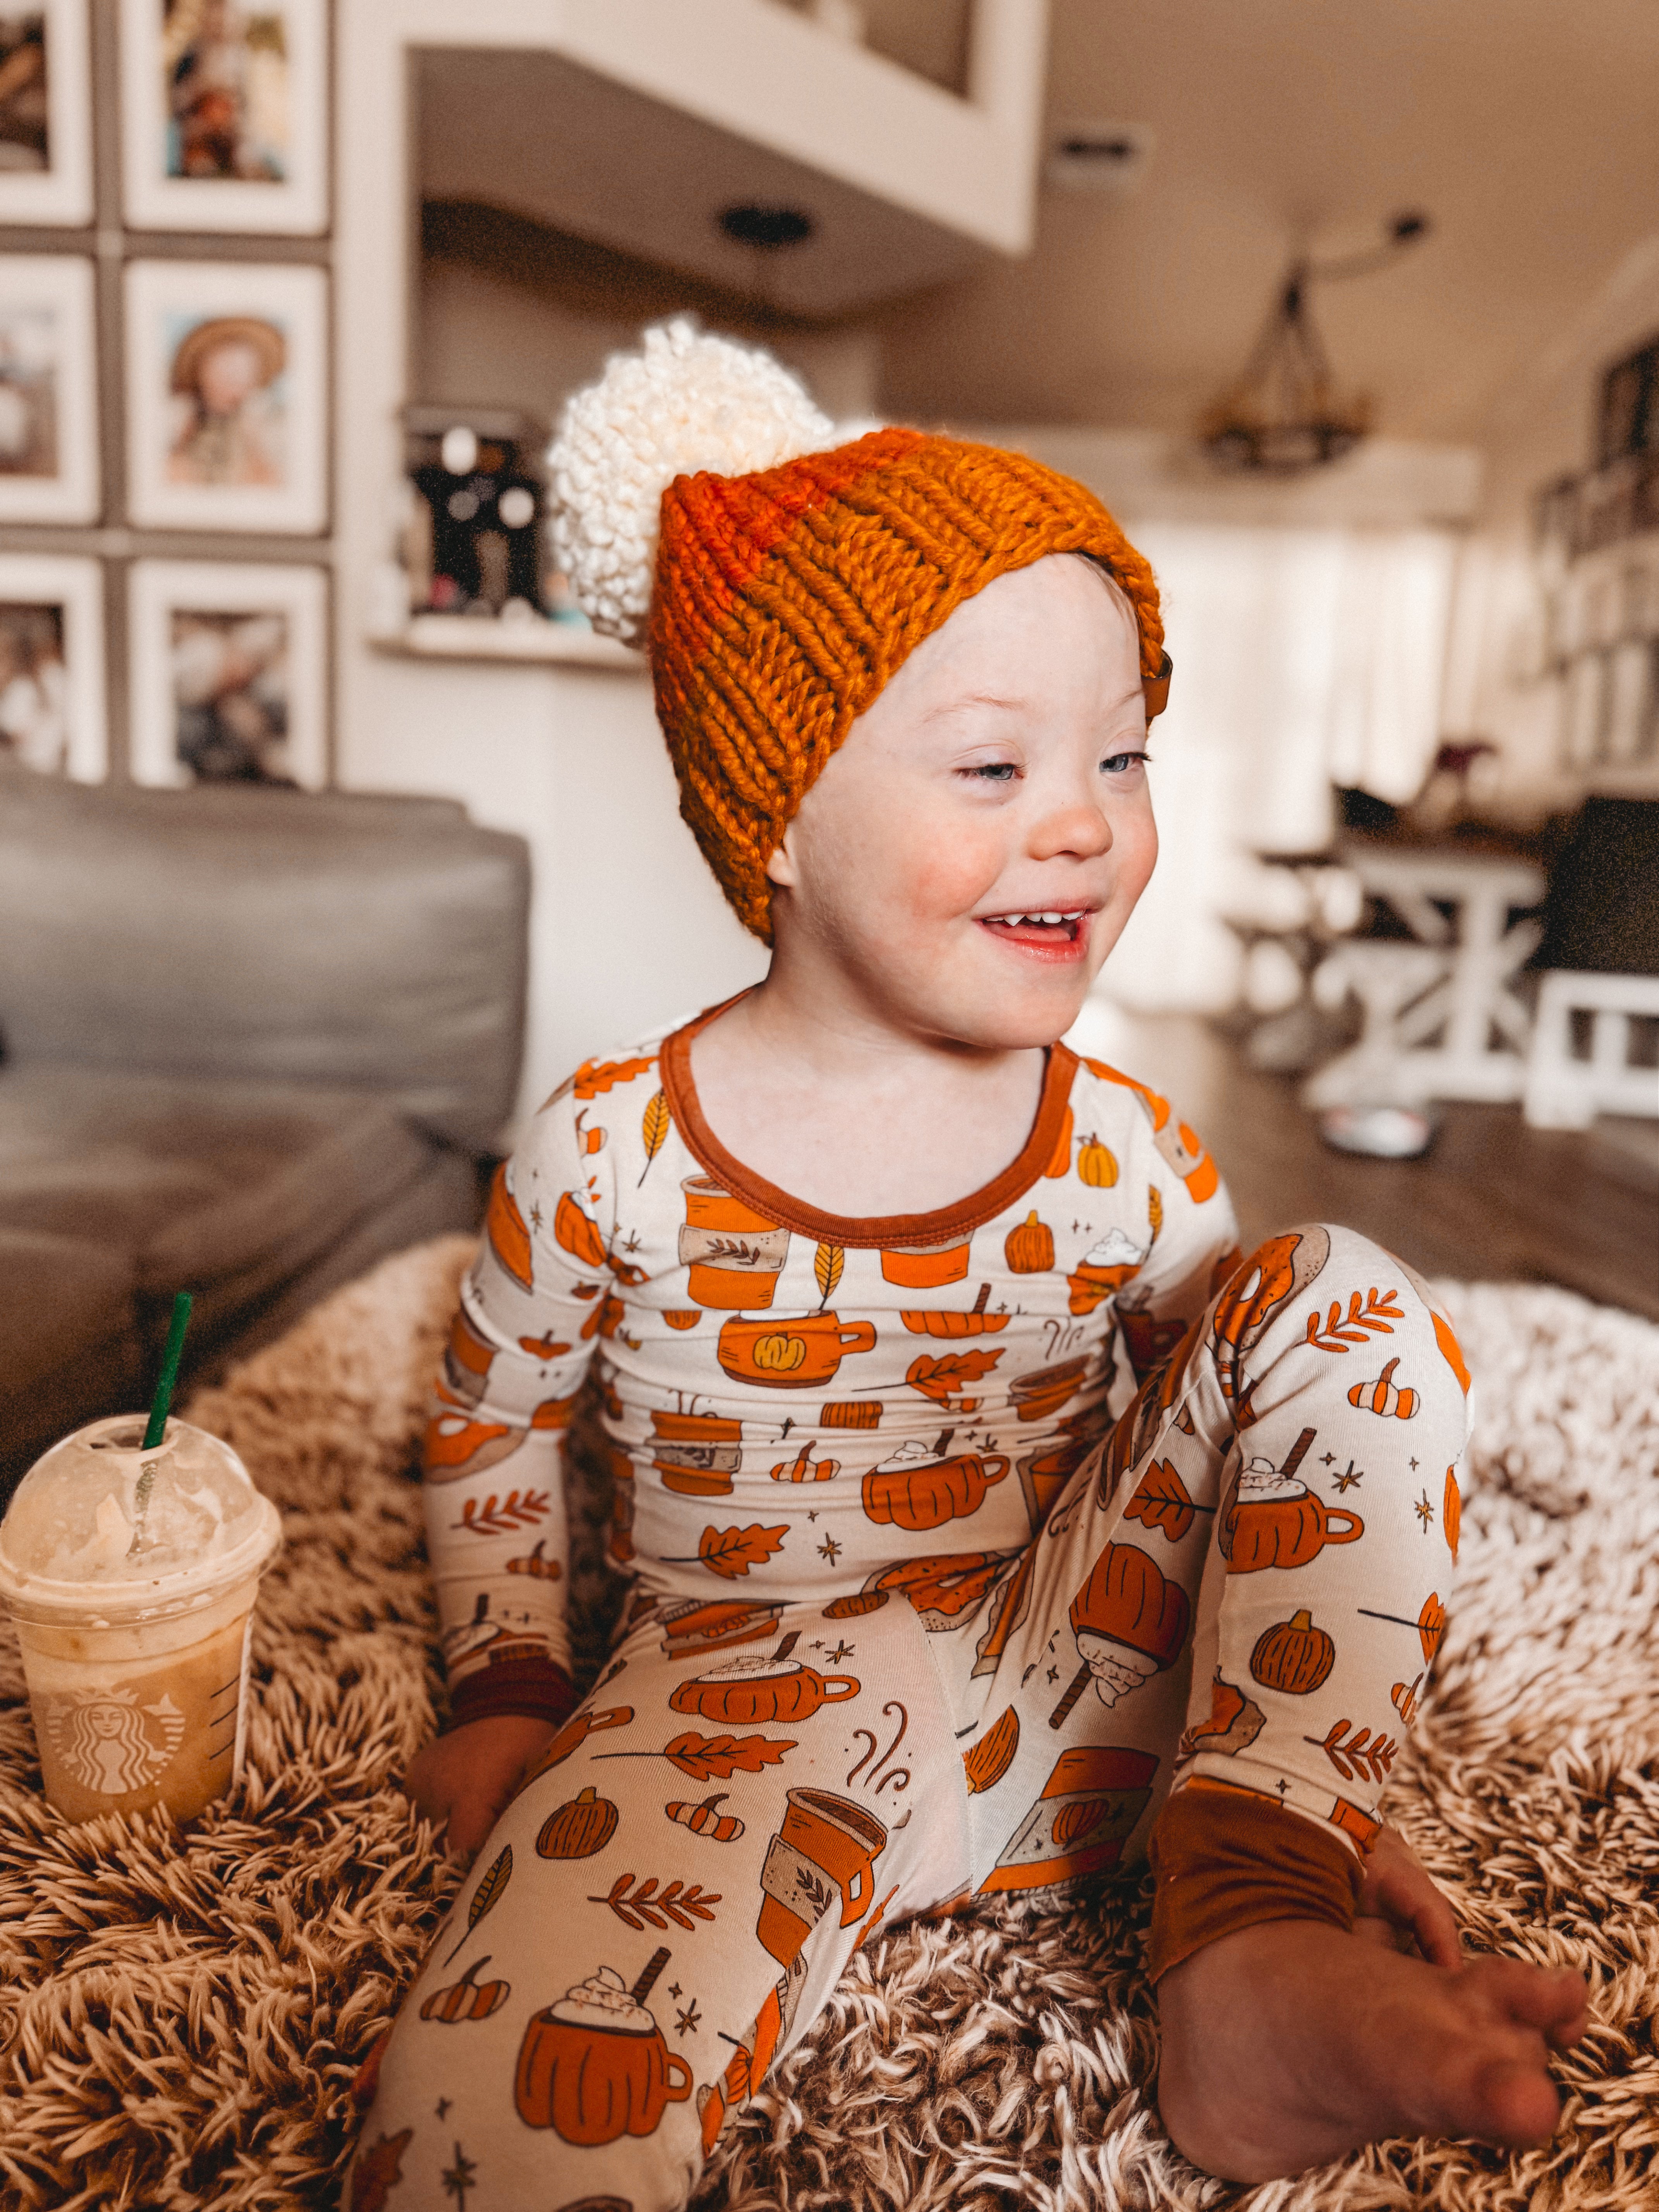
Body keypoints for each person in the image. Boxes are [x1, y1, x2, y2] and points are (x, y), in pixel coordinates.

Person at [345, 321, 1587, 2211]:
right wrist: (507, 1686)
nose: (1083, 822)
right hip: (731, 1711)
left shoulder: (1126, 1148)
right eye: (995, 762)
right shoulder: (612, 1145)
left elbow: (1251, 1441)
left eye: (1122, 756)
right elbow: (494, 1420)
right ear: (778, 815)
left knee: (1340, 1297)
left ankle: (1248, 1940)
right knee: (478, 2126)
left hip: (1092, 1689)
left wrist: (1285, 1799)